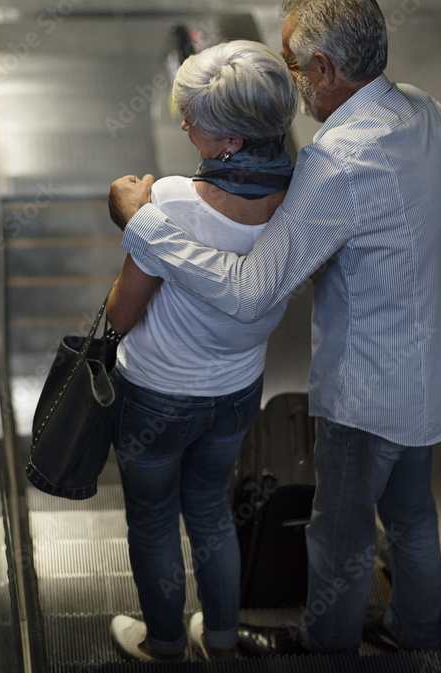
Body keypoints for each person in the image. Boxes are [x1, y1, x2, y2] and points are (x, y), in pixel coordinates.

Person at [108, 0, 441, 654]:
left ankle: (326, 651)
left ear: (327, 69)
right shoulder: (431, 114)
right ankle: (418, 642)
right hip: (437, 369)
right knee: (414, 515)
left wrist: (147, 225)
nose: (295, 82)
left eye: (296, 65)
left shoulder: (338, 162)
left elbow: (249, 290)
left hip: (370, 392)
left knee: (340, 536)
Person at [105, 39, 298, 662]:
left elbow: (121, 311)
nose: (183, 124)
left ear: (233, 142)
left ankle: (163, 643)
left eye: (196, 120)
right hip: (237, 394)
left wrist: (135, 218)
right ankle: (217, 638)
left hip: (156, 395)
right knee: (211, 513)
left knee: (155, 519)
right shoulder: (301, 202)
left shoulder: (173, 203)